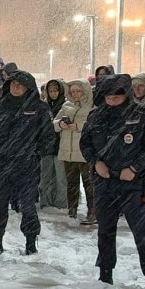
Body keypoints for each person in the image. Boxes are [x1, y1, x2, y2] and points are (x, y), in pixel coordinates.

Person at [80, 74, 145, 289]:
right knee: (105, 230)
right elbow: (86, 143)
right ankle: (105, 273)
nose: (111, 101)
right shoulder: (96, 116)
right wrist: (95, 162)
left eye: (116, 98)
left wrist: (135, 168)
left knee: (143, 233)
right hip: (105, 181)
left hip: (135, 183)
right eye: (108, 97)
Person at [0, 70, 56, 255]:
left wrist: (34, 153)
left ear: (28, 87)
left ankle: (31, 243)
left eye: (20, 85)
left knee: (28, 206)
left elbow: (48, 137)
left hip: (27, 166)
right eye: (13, 84)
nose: (16, 88)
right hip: (1, 165)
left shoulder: (39, 108)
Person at [55, 78, 96, 222]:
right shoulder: (66, 105)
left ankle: (92, 211)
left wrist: (78, 126)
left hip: (84, 151)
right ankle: (71, 209)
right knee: (71, 183)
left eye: (78, 90)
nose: (76, 93)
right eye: (73, 91)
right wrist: (61, 124)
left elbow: (94, 125)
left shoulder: (91, 106)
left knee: (88, 183)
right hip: (68, 150)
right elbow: (54, 123)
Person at [38, 79, 68, 210]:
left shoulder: (66, 106)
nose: (53, 93)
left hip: (61, 146)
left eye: (56, 91)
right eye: (51, 91)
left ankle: (61, 203)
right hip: (46, 146)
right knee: (45, 177)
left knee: (61, 178)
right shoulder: (43, 106)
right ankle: (45, 201)